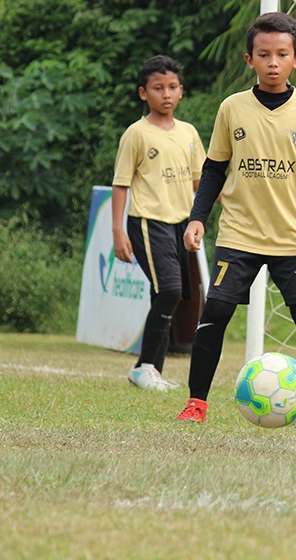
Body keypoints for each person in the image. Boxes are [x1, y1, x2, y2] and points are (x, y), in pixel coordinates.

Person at [175, 12, 296, 425]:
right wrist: (197, 218)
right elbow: (214, 169)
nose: (273, 62)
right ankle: (196, 404)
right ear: (249, 59)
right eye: (264, 54)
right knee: (215, 313)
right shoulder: (232, 108)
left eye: (282, 54)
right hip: (240, 235)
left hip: (293, 238)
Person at [112, 55, 206, 391]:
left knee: (168, 295)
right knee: (168, 291)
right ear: (143, 93)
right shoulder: (136, 134)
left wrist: (234, 201)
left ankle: (148, 370)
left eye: (172, 87)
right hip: (149, 222)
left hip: (181, 224)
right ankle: (147, 367)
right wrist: (118, 231)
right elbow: (121, 184)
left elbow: (200, 181)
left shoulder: (189, 133)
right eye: (158, 88)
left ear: (181, 91)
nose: (166, 94)